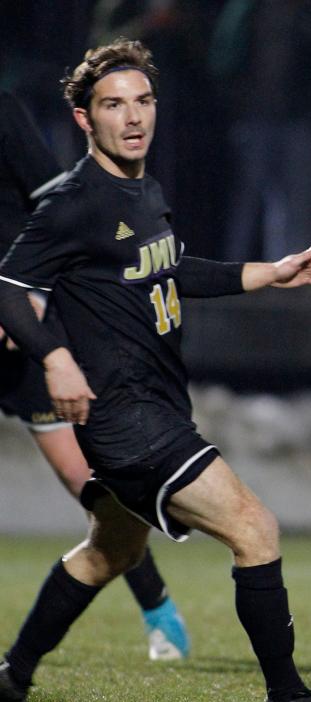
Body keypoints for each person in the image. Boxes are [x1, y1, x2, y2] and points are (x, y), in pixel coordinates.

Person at [0, 39, 311, 702]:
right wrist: (54, 358)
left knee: (113, 549)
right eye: (112, 105)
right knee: (256, 527)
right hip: (126, 417)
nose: (132, 117)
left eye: (142, 102)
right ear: (84, 120)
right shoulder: (73, 201)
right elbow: (11, 289)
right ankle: (287, 696)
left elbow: (172, 268)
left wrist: (267, 271)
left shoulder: (143, 188)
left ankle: (12, 675)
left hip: (155, 404)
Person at [0, 88, 191, 662]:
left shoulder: (4, 108)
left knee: (94, 489)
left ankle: (158, 611)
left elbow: (55, 204)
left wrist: (26, 298)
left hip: (17, 331)